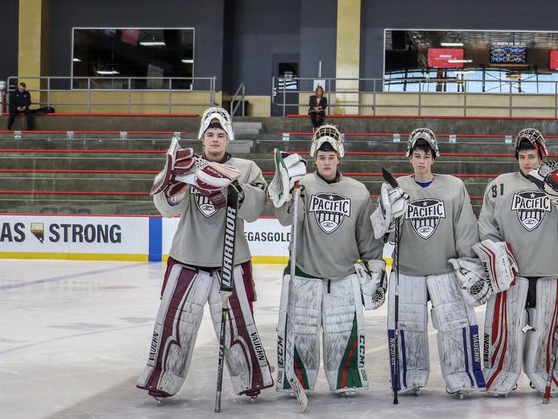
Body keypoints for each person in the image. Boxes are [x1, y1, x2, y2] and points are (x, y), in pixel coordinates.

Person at [137, 107, 273, 402]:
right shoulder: (187, 165)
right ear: (202, 137)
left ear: (228, 138)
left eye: (220, 134)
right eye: (210, 134)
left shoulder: (247, 168)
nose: (215, 139)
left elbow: (254, 211)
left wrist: (236, 187)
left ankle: (250, 379)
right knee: (175, 324)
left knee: (238, 325)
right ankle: (163, 378)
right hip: (188, 257)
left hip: (231, 260)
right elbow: (167, 208)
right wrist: (172, 182)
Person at [270, 125, 384, 399]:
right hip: (305, 271)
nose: (326, 162)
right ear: (314, 158)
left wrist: (374, 265)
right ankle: (296, 380)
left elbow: (365, 235)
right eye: (322, 157)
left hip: (343, 274)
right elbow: (286, 219)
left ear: (339, 158)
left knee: (343, 333)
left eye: (331, 157)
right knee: (301, 333)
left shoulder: (358, 191)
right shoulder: (301, 185)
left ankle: (346, 379)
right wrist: (285, 192)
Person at [371, 127, 487, 397]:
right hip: (408, 271)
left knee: (456, 325)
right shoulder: (394, 188)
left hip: (444, 270)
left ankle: (461, 377)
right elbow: (380, 232)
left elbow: (464, 228)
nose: (421, 161)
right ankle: (409, 377)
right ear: (409, 157)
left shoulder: (454, 187)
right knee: (408, 327)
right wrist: (389, 216)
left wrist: (468, 264)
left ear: (434, 158)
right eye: (417, 155)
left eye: (426, 156)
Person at [477, 128, 558, 397]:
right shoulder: (500, 186)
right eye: (522, 157)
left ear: (542, 156)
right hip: (511, 274)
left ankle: (545, 372)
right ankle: (502, 373)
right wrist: (496, 256)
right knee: (507, 329)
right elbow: (487, 226)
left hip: (548, 270)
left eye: (532, 156)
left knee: (546, 328)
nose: (527, 162)